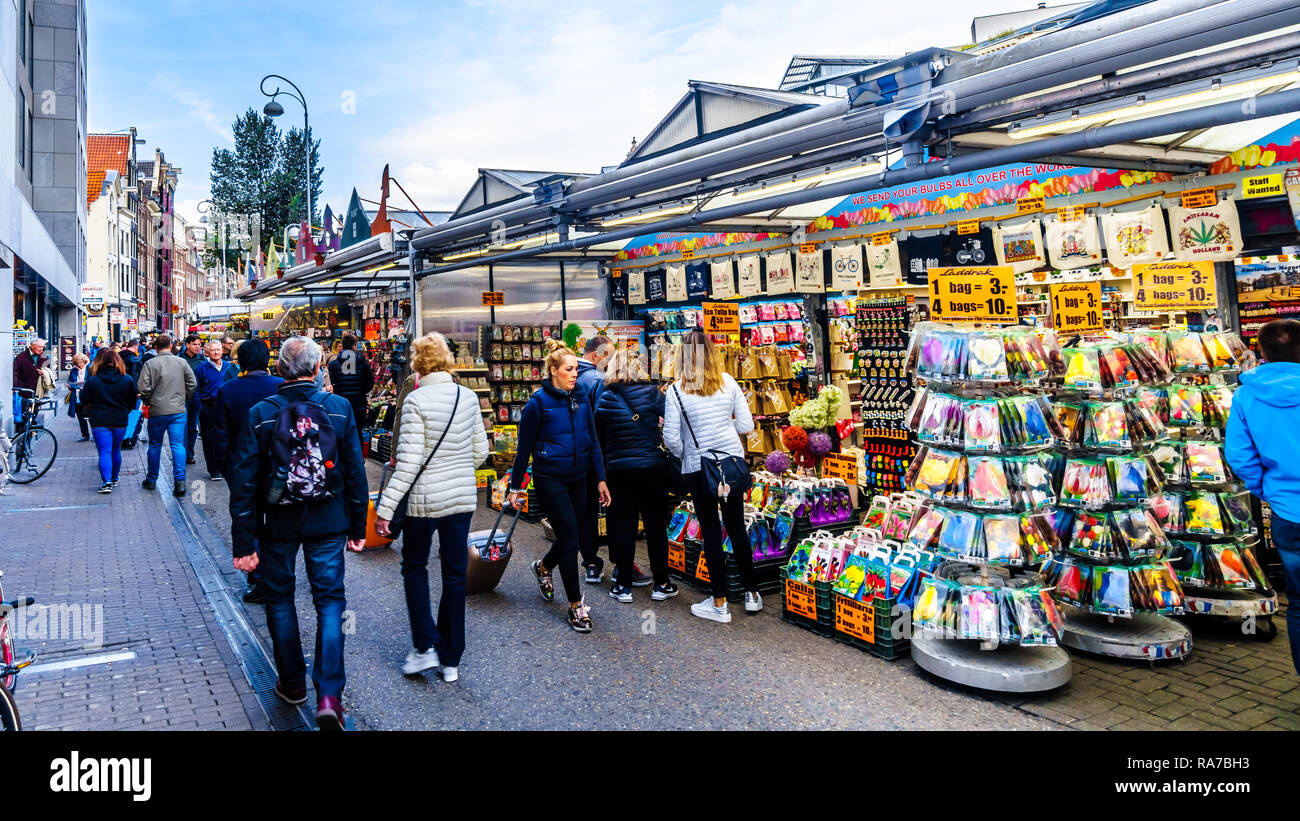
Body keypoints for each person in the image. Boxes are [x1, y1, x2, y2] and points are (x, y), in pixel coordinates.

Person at [228, 336, 369, 731]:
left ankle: (291, 683)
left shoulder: (261, 413)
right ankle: (329, 695)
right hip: (327, 521)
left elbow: (243, 482)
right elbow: (355, 473)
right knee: (329, 600)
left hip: (277, 524)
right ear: (317, 366)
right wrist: (358, 527)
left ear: (280, 369)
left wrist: (244, 542)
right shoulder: (339, 409)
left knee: (279, 599)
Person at [375, 333, 488, 683]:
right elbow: (480, 451)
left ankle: (424, 646)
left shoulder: (415, 401)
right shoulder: (468, 397)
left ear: (417, 363)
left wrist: (385, 508)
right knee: (455, 575)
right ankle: (450, 658)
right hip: (460, 500)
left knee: (415, 567)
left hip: (424, 502)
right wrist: (455, 469)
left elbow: (408, 463)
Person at [509, 339, 610, 633]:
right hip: (550, 479)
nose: (575, 374)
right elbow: (523, 450)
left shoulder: (581, 399)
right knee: (568, 539)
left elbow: (592, 442)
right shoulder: (537, 404)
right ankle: (576, 606)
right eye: (569, 369)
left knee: (574, 538)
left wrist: (601, 478)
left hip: (579, 477)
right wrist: (515, 489)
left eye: (576, 369)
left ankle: (542, 567)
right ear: (553, 371)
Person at [664, 330, 761, 623]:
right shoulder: (728, 381)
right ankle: (752, 594)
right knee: (736, 527)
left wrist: (687, 453)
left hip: (698, 468)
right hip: (730, 465)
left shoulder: (676, 390)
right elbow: (746, 424)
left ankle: (719, 602)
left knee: (710, 532)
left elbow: (671, 438)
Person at [1226, 319, 1300, 676]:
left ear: (1262, 352)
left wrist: (1265, 489)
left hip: (1287, 511)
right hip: (1286, 504)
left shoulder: (1246, 394)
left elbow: (1239, 456)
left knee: (1298, 604)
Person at [594, 348, 676, 603]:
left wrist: (602, 475)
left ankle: (623, 586)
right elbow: (671, 420)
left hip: (619, 472)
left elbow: (599, 439)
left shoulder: (606, 398)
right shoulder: (653, 393)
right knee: (655, 527)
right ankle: (661, 583)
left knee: (623, 526)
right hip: (653, 468)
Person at [215, 340, 284, 604]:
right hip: (277, 468)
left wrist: (227, 468)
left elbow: (220, 435)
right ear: (267, 359)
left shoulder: (228, 390)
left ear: (240, 362)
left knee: (249, 521)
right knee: (277, 520)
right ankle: (277, 571)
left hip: (242, 468)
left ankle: (258, 578)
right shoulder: (280, 386)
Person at [136, 334, 197, 497]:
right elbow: (192, 383)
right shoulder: (181, 362)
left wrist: (149, 400)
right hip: (178, 409)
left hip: (157, 410)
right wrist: (184, 398)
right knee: (177, 445)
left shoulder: (150, 363)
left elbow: (143, 387)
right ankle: (180, 483)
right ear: (170, 346)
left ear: (155, 347)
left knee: (155, 445)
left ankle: (151, 479)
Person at [80, 348, 138, 494]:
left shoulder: (93, 380)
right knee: (116, 449)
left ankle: (106, 482)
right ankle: (115, 477)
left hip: (99, 419)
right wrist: (125, 409)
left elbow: (84, 399)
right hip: (120, 418)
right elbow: (133, 401)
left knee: (104, 452)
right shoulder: (127, 379)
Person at [194, 340, 239, 480]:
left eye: (218, 350)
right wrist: (200, 407)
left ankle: (225, 465)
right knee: (209, 439)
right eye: (213, 350)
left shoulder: (228, 366)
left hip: (226, 407)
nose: (216, 352)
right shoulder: (201, 368)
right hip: (209, 407)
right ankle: (213, 470)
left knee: (226, 437)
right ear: (206, 352)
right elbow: (195, 390)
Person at [327, 335, 375, 446]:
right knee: (357, 430)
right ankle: (358, 458)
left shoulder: (334, 364)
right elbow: (369, 382)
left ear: (342, 347)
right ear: (354, 346)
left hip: (340, 402)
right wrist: (361, 391)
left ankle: (343, 458)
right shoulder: (363, 362)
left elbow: (332, 383)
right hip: (359, 402)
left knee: (341, 430)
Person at [12, 338, 49, 430]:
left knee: (33, 416)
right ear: (31, 346)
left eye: (42, 347)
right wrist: (15, 388)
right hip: (24, 392)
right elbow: (15, 373)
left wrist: (44, 373)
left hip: (38, 392)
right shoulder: (21, 357)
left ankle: (28, 438)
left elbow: (48, 370)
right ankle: (21, 438)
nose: (41, 349)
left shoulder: (43, 357)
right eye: (39, 347)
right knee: (24, 417)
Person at [179, 334, 204, 465]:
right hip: (182, 397)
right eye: (195, 344)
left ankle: (190, 453)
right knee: (183, 426)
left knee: (193, 426)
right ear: (187, 345)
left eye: (199, 344)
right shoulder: (180, 358)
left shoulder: (202, 359)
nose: (198, 347)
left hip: (196, 397)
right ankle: (182, 454)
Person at [65, 353, 91, 441]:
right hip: (77, 396)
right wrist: (69, 385)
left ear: (84, 361)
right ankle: (85, 435)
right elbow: (71, 381)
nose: (79, 365)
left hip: (88, 396)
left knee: (91, 416)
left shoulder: (90, 369)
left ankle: (95, 435)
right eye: (76, 363)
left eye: (80, 362)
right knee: (80, 417)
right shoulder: (73, 371)